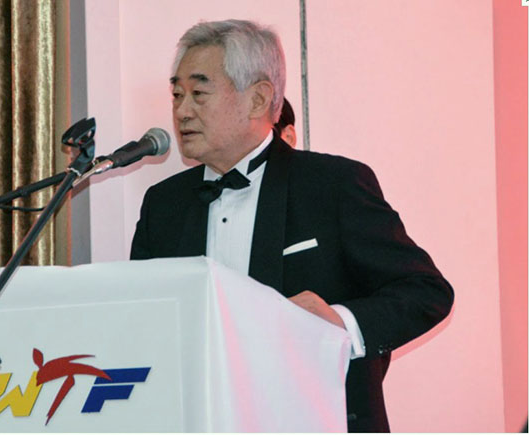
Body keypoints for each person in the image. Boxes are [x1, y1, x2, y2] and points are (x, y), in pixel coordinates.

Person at [130, 19, 453, 432]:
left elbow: (426, 292)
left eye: (198, 93)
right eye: (177, 95)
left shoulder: (332, 185)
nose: (182, 111)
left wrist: (339, 324)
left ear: (258, 99)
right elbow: (143, 321)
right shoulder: (164, 204)